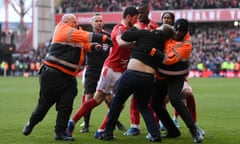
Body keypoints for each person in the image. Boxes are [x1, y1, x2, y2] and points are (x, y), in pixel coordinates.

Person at [22, 13, 111, 141]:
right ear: (65, 22)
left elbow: (83, 42)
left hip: (68, 76)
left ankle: (60, 133)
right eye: (73, 22)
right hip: (53, 74)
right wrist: (103, 39)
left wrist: (92, 47)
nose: (75, 24)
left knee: (66, 106)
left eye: (76, 22)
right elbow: (84, 36)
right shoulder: (62, 29)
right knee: (45, 104)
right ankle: (31, 123)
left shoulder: (76, 31)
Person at [65, 7, 139, 138]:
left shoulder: (126, 30)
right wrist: (135, 43)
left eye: (100, 21)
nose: (136, 20)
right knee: (96, 99)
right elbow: (121, 43)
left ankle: (101, 130)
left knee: (118, 104)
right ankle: (75, 122)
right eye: (135, 17)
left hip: (121, 71)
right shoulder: (119, 29)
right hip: (110, 69)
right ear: (128, 17)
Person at [98, 24, 174, 142]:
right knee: (144, 107)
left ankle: (107, 132)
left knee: (117, 101)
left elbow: (126, 35)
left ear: (159, 29)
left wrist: (135, 29)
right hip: (148, 78)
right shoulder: (163, 47)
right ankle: (155, 134)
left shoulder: (146, 33)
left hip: (132, 73)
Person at [148, 18, 205, 143]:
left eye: (180, 32)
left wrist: (151, 51)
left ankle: (194, 130)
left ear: (185, 33)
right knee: (155, 103)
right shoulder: (169, 34)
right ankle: (172, 130)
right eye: (176, 30)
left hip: (176, 76)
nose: (177, 33)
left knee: (175, 99)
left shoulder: (186, 45)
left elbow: (169, 60)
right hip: (162, 75)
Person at [79, 13, 125, 133]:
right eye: (96, 21)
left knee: (109, 98)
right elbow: (84, 48)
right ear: (91, 23)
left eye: (100, 21)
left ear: (103, 23)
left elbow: (116, 49)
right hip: (91, 70)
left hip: (105, 70)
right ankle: (86, 125)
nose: (99, 23)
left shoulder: (108, 36)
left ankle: (114, 121)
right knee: (89, 97)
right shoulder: (87, 36)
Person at [124, 3, 159, 136]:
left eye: (143, 12)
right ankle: (135, 126)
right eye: (138, 12)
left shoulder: (154, 26)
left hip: (151, 67)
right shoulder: (135, 27)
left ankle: (155, 126)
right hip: (137, 65)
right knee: (135, 97)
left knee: (153, 99)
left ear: (148, 12)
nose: (140, 14)